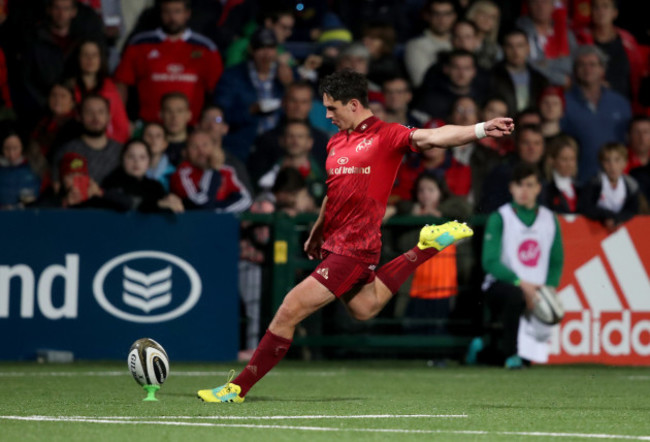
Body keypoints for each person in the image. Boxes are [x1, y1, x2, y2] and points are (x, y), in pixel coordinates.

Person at [197, 69, 514, 403]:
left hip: (356, 247)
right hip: (336, 244)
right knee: (365, 307)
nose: (327, 116)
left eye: (332, 108)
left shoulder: (386, 135)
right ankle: (425, 247)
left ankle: (237, 389)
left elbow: (434, 137)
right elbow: (333, 194)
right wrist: (318, 231)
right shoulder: (335, 141)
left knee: (289, 308)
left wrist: (480, 129)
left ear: (352, 104)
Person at [467, 163, 563, 369]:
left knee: (547, 323)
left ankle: (486, 346)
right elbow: (490, 262)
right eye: (520, 185)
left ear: (539, 188)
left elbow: (556, 261)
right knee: (514, 296)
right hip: (500, 287)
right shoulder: (500, 217)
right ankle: (511, 355)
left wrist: (549, 288)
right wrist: (521, 284)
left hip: (536, 290)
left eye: (530, 185)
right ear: (511, 188)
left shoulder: (549, 219)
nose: (524, 191)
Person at [113, 0, 223, 125]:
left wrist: (212, 122)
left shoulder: (206, 48)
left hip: (192, 126)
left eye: (177, 11)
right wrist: (119, 120)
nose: (172, 17)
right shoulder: (140, 44)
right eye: (167, 12)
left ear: (187, 13)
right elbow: (121, 83)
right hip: (149, 125)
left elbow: (216, 90)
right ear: (160, 13)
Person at [214, 27, 289, 163]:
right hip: (243, 145)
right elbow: (221, 115)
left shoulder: (285, 74)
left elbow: (300, 108)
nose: (266, 54)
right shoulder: (233, 76)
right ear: (251, 49)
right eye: (261, 48)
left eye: (271, 48)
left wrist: (289, 84)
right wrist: (250, 111)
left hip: (279, 145)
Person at [560, 45, 632, 183]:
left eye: (593, 64)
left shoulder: (620, 103)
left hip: (617, 181)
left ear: (602, 69)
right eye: (582, 65)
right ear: (575, 70)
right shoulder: (563, 102)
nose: (588, 69)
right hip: (579, 181)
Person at [574, 0, 645, 111]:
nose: (600, 11)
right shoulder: (580, 40)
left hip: (625, 107)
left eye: (605, 7)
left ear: (615, 13)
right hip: (589, 107)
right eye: (596, 7)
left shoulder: (628, 41)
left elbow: (637, 74)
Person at [170, 129, 252, 212]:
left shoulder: (226, 170)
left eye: (205, 145)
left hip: (223, 222)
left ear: (214, 147)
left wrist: (218, 211)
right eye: (194, 147)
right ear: (185, 152)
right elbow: (202, 204)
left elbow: (246, 200)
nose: (201, 151)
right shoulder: (182, 173)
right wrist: (212, 169)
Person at [51, 94, 122, 186]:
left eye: (101, 112)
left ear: (109, 116)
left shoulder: (121, 151)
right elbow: (56, 187)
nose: (96, 117)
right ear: (79, 117)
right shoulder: (66, 151)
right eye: (89, 112)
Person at [69, 39, 130, 144]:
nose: (90, 59)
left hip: (106, 146)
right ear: (78, 58)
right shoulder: (68, 87)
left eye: (94, 55)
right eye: (85, 55)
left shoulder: (110, 88)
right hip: (74, 142)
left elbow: (121, 127)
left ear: (100, 59)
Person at [102, 139, 184, 213]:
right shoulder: (111, 182)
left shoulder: (155, 187)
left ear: (149, 162)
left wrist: (171, 200)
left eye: (142, 157)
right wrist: (157, 204)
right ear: (122, 159)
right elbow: (124, 202)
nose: (136, 162)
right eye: (131, 156)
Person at [578, 142, 640, 232]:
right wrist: (606, 216)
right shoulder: (594, 183)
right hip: (593, 230)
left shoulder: (631, 186)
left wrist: (617, 219)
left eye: (617, 160)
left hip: (620, 230)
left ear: (625, 163)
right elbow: (585, 207)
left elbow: (632, 210)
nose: (612, 166)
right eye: (607, 161)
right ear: (601, 163)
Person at [515, 0, 578, 87]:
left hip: (563, 91)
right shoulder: (519, 32)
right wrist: (559, 79)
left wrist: (542, 64)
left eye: (545, 2)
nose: (540, 7)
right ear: (529, 6)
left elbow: (572, 65)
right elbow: (525, 66)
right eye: (535, 2)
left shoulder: (566, 34)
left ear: (552, 6)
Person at [489, 28, 549, 117]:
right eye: (510, 46)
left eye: (520, 45)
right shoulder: (491, 76)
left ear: (528, 48)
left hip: (530, 126)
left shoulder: (540, 79)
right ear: (503, 49)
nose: (515, 51)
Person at [404, 0, 456, 88]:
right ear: (427, 16)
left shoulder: (461, 40)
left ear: (454, 16)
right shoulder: (416, 45)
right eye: (436, 14)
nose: (442, 19)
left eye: (446, 14)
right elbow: (420, 81)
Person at [0, 131, 40, 209]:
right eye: (7, 148)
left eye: (15, 148)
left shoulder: (33, 169)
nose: (12, 154)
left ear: (22, 147)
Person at [544, 134, 581, 213]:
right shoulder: (545, 190)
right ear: (552, 160)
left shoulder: (581, 189)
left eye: (572, 159)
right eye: (564, 159)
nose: (569, 164)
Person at [465, 0, 503, 70]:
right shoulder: (457, 40)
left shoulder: (496, 50)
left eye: (492, 17)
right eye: (483, 14)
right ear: (473, 14)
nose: (487, 19)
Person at [159, 91, 192, 166]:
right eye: (169, 111)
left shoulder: (199, 148)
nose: (174, 117)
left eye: (180, 111)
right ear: (161, 114)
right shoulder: (149, 147)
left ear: (188, 115)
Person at [143, 122, 175, 192]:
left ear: (165, 144)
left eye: (158, 136)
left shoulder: (174, 173)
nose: (153, 139)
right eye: (149, 135)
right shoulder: (133, 169)